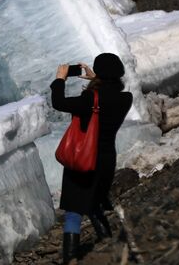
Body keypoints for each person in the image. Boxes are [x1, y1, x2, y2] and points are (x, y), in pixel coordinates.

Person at [50, 53, 133, 265]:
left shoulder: (90, 100)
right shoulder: (125, 98)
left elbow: (58, 102)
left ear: (100, 72)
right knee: (94, 204)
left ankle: (70, 259)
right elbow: (107, 94)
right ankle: (109, 244)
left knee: (74, 212)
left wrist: (60, 78)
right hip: (106, 161)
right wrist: (97, 78)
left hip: (83, 161)